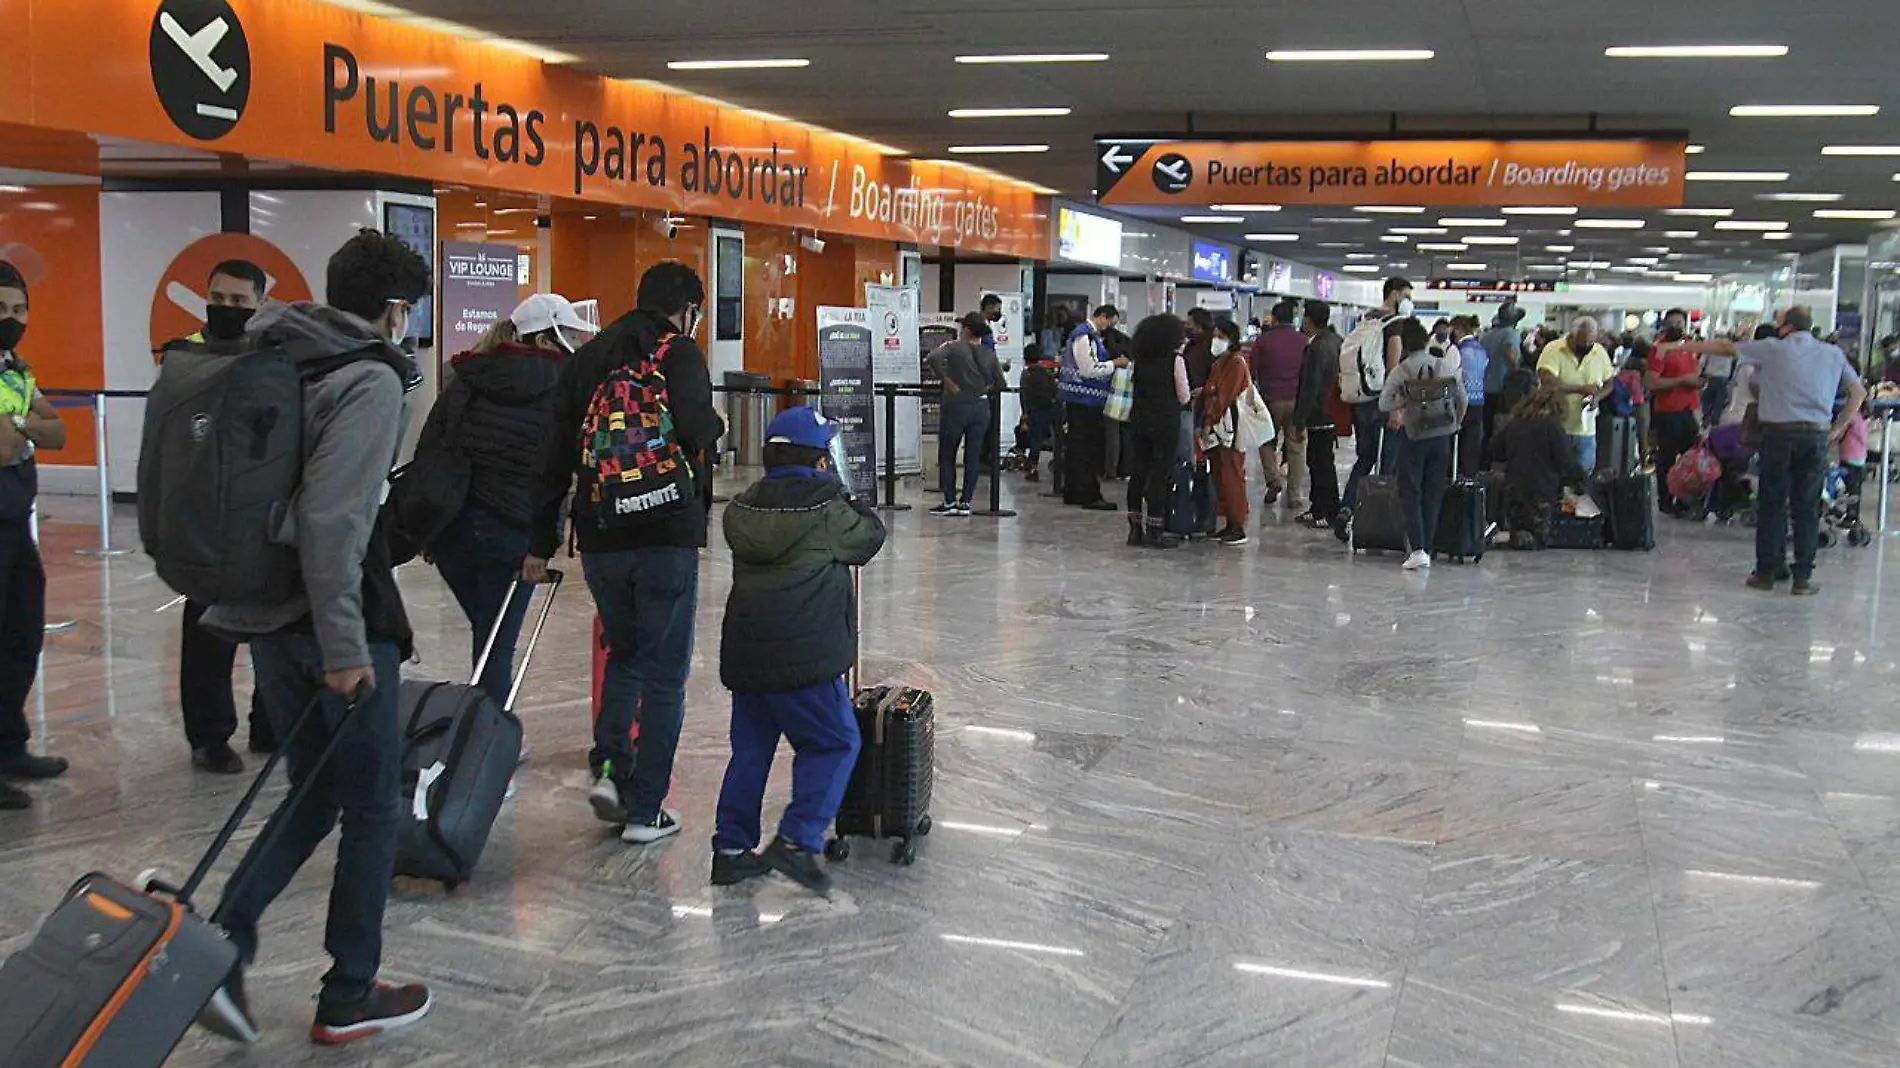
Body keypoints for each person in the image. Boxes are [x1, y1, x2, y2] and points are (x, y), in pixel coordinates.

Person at [200, 229, 432, 1044]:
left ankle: (223, 945)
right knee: (371, 804)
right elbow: (334, 521)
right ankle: (349, 991)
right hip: (332, 621)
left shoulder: (276, 348)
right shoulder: (367, 377)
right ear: (396, 309)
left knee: (315, 791)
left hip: (265, 610)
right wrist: (342, 651)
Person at [526, 261, 724, 843]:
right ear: (687, 309)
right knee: (665, 674)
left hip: (602, 531)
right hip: (666, 530)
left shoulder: (590, 358)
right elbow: (696, 429)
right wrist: (710, 427)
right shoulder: (679, 355)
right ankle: (646, 810)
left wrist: (540, 541)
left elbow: (554, 453)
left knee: (626, 655)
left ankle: (610, 770)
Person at [711, 407, 886, 895]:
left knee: (750, 749)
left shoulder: (741, 508)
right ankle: (796, 839)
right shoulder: (829, 511)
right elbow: (869, 539)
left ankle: (730, 850)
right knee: (834, 741)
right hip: (802, 656)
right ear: (821, 461)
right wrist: (861, 504)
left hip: (748, 654)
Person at [419, 293, 595, 708]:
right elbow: (552, 473)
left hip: (452, 530)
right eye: (567, 334)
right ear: (545, 339)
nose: (574, 343)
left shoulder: (466, 376)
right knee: (495, 642)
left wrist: (425, 526)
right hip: (511, 533)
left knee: (488, 632)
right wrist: (542, 544)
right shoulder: (562, 389)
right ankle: (487, 737)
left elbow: (433, 450)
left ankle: (484, 725)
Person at [176, 259, 276, 774]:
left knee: (272, 627)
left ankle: (269, 721)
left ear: (260, 303)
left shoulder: (275, 358)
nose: (227, 308)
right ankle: (209, 736)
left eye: (239, 301)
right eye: (219, 297)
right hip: (207, 519)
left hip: (263, 516)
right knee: (208, 632)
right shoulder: (185, 358)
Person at [1691, 308, 1866, 595]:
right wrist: (1837, 428)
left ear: (1786, 328)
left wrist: (1683, 346)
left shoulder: (1773, 348)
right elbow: (1858, 393)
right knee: (1806, 507)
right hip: (1815, 436)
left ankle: (1766, 573)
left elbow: (1724, 347)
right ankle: (1802, 578)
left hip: (1778, 435)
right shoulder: (1833, 354)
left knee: (1772, 503)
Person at [0, 260, 68, 811]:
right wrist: (27, 432)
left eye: (19, 309)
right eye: (1, 309)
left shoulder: (16, 369)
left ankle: (9, 744)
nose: (12, 319)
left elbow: (60, 432)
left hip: (13, 521)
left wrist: (20, 427)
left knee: (21, 634)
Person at [1379, 317, 1465, 570]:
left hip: (1414, 436)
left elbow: (1384, 403)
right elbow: (1462, 398)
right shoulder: (1444, 365)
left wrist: (1403, 404)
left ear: (1404, 345)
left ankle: (1417, 548)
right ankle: (1428, 544)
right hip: (1442, 436)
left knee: (1411, 490)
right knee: (1434, 491)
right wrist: (1456, 423)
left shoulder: (1402, 370)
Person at [1344, 277, 1415, 511]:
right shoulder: (1395, 324)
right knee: (1388, 461)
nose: (1408, 302)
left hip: (1362, 398)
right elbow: (1394, 368)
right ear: (1394, 295)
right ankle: (1380, 515)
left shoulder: (1368, 319)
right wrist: (1396, 407)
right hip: (1382, 403)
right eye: (1406, 297)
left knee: (1365, 458)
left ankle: (1348, 510)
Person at [1125, 314, 1192, 549]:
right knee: (1160, 474)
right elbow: (1183, 394)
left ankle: (1135, 529)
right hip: (1165, 421)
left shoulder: (1139, 359)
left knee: (1138, 472)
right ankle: (1155, 529)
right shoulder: (1175, 361)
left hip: (1139, 418)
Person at [928, 312, 1004, 516]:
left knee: (947, 453)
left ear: (967, 329)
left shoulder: (953, 347)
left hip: (956, 406)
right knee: (973, 454)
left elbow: (933, 358)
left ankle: (950, 500)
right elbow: (1000, 382)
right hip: (980, 408)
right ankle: (966, 502)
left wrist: (947, 381)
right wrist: (984, 387)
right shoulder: (989, 354)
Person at [1490, 387, 1583, 550]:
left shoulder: (1515, 424)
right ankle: (1520, 538)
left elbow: (1495, 451)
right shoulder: (1552, 426)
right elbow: (1567, 463)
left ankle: (1514, 536)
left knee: (1521, 528)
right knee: (1540, 539)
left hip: (1513, 493)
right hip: (1541, 495)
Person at [1059, 304, 1125, 510]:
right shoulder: (1084, 336)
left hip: (1083, 399)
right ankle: (1088, 493)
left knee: (1077, 447)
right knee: (1086, 448)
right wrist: (1115, 364)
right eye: (1109, 323)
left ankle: (1073, 490)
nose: (1108, 328)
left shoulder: (1089, 336)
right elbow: (1088, 369)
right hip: (1083, 400)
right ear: (1103, 317)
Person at [1535, 316, 1614, 473]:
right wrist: (1580, 389)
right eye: (1582, 342)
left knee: (1582, 478)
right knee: (1553, 474)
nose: (1586, 346)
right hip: (1557, 426)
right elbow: (1548, 382)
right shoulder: (1553, 349)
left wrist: (1598, 396)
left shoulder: (1599, 352)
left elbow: (1609, 383)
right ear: (1571, 336)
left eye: (1590, 343)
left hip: (1586, 429)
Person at [1292, 299, 1344, 530]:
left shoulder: (1317, 347)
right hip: (1331, 410)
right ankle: (1318, 507)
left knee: (1320, 463)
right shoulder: (1336, 341)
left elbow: (1309, 385)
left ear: (1309, 319)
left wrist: (1300, 419)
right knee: (1321, 461)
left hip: (1318, 413)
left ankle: (1326, 510)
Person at [1200, 319, 1252, 546]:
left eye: (1220, 336)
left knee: (1232, 474)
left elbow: (1225, 396)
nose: (1216, 340)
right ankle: (1229, 522)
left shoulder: (1236, 363)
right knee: (1221, 474)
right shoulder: (1221, 362)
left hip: (1228, 427)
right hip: (1219, 428)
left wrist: (1210, 421)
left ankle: (1237, 524)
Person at [1250, 298, 1306, 509]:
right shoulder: (1302, 340)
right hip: (1296, 400)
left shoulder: (1263, 341)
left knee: (1266, 441)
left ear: (1273, 318)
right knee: (1296, 447)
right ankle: (1294, 496)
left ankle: (1273, 480)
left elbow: (1252, 372)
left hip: (1270, 400)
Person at [1647, 309, 1703, 514]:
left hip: (1689, 409)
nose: (1676, 327)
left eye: (1680, 323)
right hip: (1668, 411)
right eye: (1672, 323)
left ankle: (1685, 500)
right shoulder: (1658, 349)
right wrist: (1680, 381)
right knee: (1667, 459)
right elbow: (1651, 382)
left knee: (1693, 459)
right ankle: (1666, 500)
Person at [1477, 304, 1524, 449]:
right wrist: (1516, 373)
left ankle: (1484, 461)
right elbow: (1510, 353)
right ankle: (1498, 459)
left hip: (1484, 386)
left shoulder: (1486, 335)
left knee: (1486, 426)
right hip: (1503, 387)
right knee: (1503, 426)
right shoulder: (1511, 333)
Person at [1453, 315, 1489, 477]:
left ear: (1459, 330)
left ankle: (1456, 474)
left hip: (1461, 400)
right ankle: (1470, 475)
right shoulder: (1481, 349)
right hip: (1479, 399)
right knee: (1472, 441)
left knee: (1458, 440)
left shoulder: (1459, 350)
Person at [1019, 345, 1059, 482]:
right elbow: (1054, 390)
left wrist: (1024, 414)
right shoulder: (1047, 372)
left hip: (1035, 410)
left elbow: (1024, 395)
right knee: (1054, 439)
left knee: (1035, 439)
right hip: (1050, 409)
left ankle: (1033, 468)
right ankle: (1059, 464)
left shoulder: (1027, 374)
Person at [1182, 306, 1216, 395]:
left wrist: (1205, 389)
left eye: (1189, 323)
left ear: (1199, 326)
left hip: (1207, 396)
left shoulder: (1213, 346)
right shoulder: (1191, 345)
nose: (1186, 326)